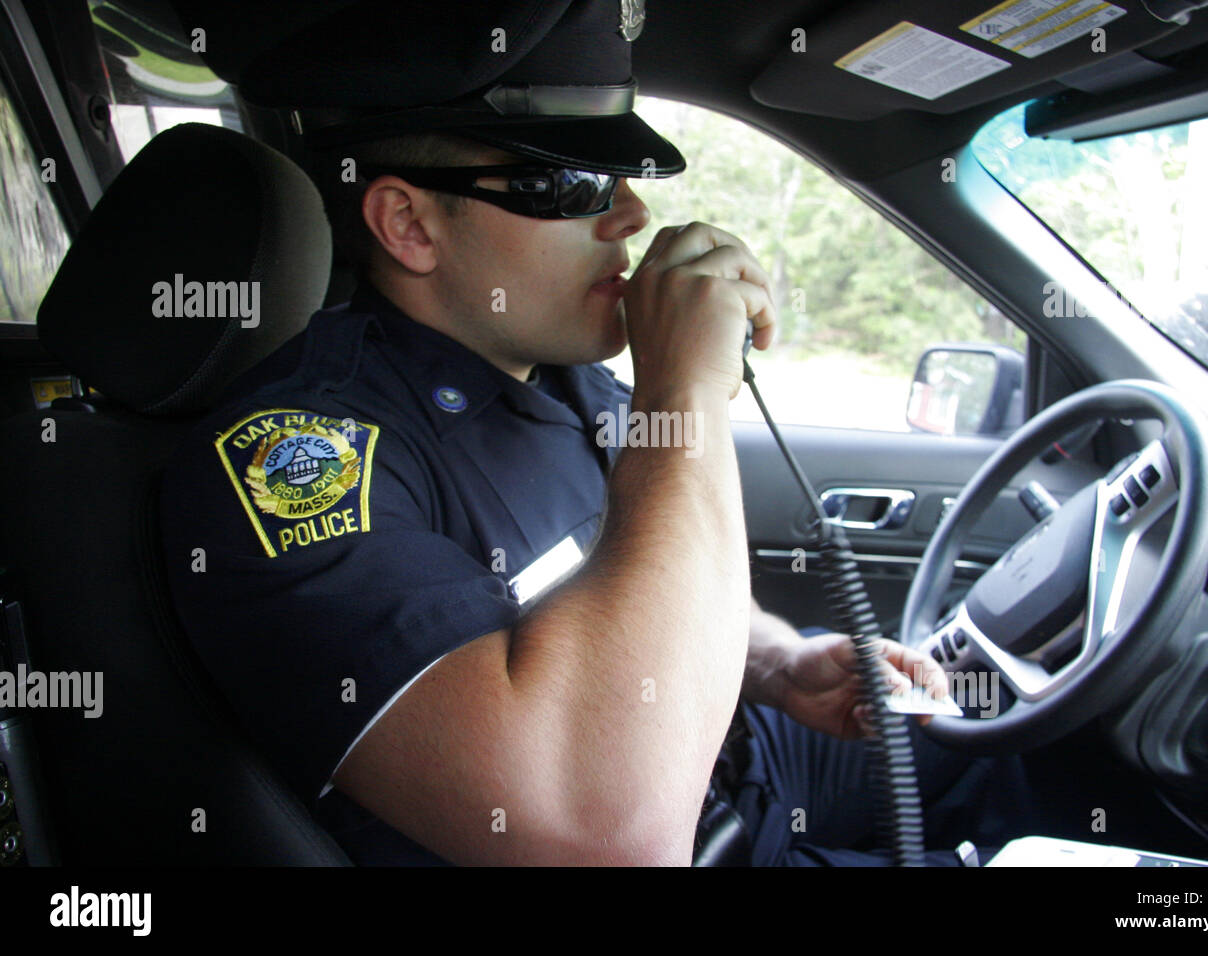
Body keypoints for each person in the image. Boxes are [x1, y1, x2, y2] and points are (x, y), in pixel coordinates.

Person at [159, 0, 1045, 866]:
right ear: (409, 224)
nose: (628, 216)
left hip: (744, 769)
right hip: (653, 815)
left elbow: (651, 572)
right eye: (571, 184)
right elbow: (606, 834)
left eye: (620, 180)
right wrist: (686, 390)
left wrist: (780, 663)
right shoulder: (291, 464)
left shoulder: (566, 374)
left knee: (1016, 753)